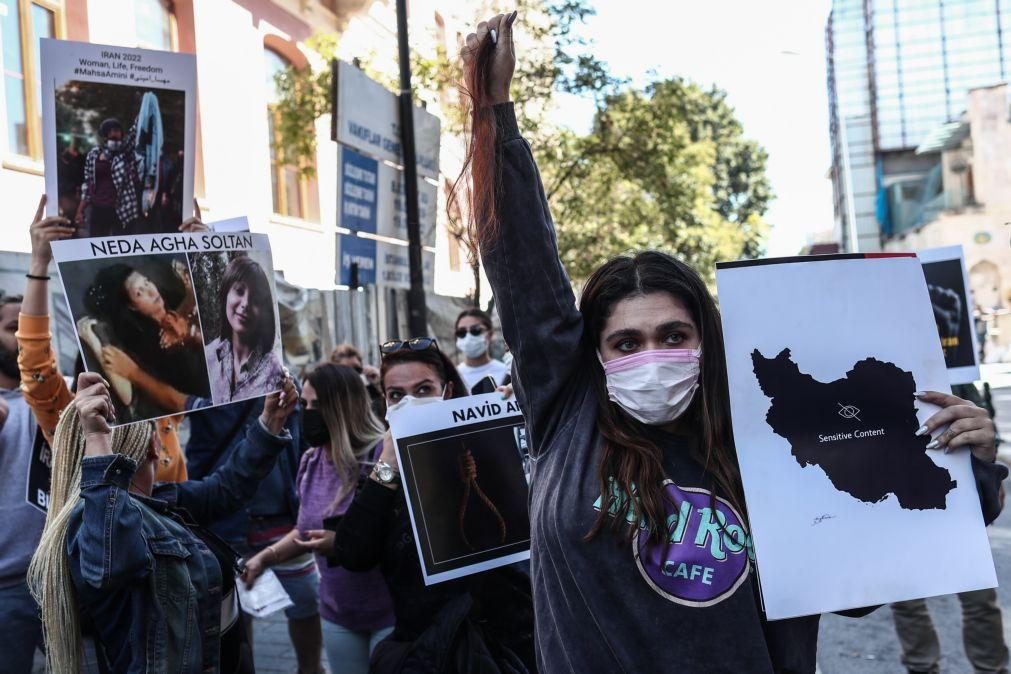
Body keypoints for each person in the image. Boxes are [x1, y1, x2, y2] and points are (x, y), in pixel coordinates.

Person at [457, 14, 1007, 672]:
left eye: (673, 335)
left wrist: (964, 465)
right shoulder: (565, 412)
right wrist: (489, 114)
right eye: (625, 343)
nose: (651, 355)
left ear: (705, 342)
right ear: (593, 356)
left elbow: (862, 578)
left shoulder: (768, 446)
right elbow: (521, 261)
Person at [28, 371, 297, 674]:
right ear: (154, 448)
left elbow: (225, 490)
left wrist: (269, 424)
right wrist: (97, 440)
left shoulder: (159, 501)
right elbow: (111, 560)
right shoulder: (94, 527)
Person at [294, 338, 534, 673]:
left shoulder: (481, 448)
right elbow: (353, 553)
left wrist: (513, 428)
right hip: (425, 651)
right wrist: (388, 464)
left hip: (500, 645)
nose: (410, 403)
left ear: (446, 392)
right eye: (397, 395)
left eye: (423, 391)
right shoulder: (387, 474)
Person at [20, 195, 194, 481]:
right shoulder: (74, 425)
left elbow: (190, 397)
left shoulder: (156, 412)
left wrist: (199, 251)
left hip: (172, 525)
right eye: (106, 356)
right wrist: (39, 265)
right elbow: (35, 365)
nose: (152, 291)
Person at [243, 363, 395, 674]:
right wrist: (265, 558)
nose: (308, 413)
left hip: (390, 613)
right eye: (305, 404)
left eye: (317, 405)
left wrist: (343, 543)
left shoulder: (382, 457)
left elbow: (402, 533)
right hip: (337, 613)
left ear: (342, 407)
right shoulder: (311, 462)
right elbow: (304, 530)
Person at [185, 395, 316, 674]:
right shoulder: (202, 391)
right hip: (225, 523)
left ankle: (311, 668)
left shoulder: (281, 387)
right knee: (237, 616)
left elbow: (302, 444)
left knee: (305, 601)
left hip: (281, 518)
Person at [889, 382, 1010, 674]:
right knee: (906, 598)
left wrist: (986, 459)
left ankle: (991, 668)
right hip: (893, 495)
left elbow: (979, 409)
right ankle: (922, 667)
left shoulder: (948, 360)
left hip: (953, 491)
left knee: (978, 596)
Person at [84, 253, 209, 418]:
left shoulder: (175, 300)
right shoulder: (148, 345)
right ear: (132, 307)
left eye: (147, 281)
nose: (151, 290)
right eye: (139, 293)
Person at [0, 291, 48, 674]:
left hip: (56, 577)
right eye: (11, 327)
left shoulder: (54, 397)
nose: (21, 337)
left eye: (29, 329)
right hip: (5, 588)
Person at [204, 255, 285, 404]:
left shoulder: (274, 372)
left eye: (255, 299)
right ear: (225, 294)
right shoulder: (208, 355)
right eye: (239, 291)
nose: (245, 304)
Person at [75, 118, 141, 237]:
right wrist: (80, 210)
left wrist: (144, 108)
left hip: (121, 208)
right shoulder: (94, 154)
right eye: (111, 132)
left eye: (117, 131)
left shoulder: (125, 153)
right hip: (98, 208)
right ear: (105, 135)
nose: (115, 134)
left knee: (121, 246)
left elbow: (134, 133)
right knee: (96, 244)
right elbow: (88, 184)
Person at [454, 308, 509, 392]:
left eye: (475, 330)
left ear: (490, 334)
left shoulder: (508, 373)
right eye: (461, 332)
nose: (468, 337)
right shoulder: (452, 377)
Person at [330, 343, 385, 418]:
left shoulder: (372, 395)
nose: (353, 375)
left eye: (356, 370)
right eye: (346, 371)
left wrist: (380, 385)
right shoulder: (331, 402)